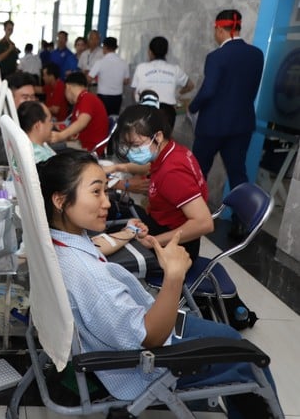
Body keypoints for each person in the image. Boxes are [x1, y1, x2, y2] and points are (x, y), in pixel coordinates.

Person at [36, 150, 279, 419]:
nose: (106, 202)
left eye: (106, 190)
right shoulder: (89, 277)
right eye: (96, 192)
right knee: (248, 357)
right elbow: (150, 338)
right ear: (59, 200)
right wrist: (174, 276)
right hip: (144, 362)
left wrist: (126, 233)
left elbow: (94, 249)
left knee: (229, 336)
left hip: (143, 322)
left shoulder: (56, 241)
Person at [113, 104, 213, 260]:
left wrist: (153, 242)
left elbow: (204, 223)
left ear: (157, 136)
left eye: (136, 145)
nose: (132, 151)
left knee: (113, 250)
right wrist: (118, 167)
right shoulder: (170, 150)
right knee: (121, 226)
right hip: (164, 225)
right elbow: (147, 167)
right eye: (128, 145)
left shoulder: (172, 173)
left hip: (176, 248)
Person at [189, 10, 264, 208]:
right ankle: (241, 222)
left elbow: (208, 90)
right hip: (242, 125)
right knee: (237, 172)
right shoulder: (256, 55)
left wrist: (193, 106)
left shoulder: (216, 56)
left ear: (220, 29)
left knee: (198, 171)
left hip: (212, 125)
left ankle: (194, 215)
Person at [131, 36, 194, 128]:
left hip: (146, 110)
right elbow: (190, 85)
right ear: (166, 52)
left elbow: (134, 92)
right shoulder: (175, 69)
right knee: (164, 140)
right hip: (167, 112)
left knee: (146, 139)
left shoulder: (141, 68)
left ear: (150, 52)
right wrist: (178, 94)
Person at [51, 72, 108, 156]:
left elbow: (81, 122)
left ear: (68, 87)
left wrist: (60, 136)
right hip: (81, 144)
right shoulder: (82, 101)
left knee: (49, 152)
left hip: (87, 149)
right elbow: (73, 125)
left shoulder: (87, 98)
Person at [87, 36, 130, 115]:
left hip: (103, 96)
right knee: (113, 119)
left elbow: (89, 78)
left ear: (104, 47)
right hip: (117, 97)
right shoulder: (123, 63)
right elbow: (126, 81)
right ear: (116, 47)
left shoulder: (100, 62)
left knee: (102, 118)